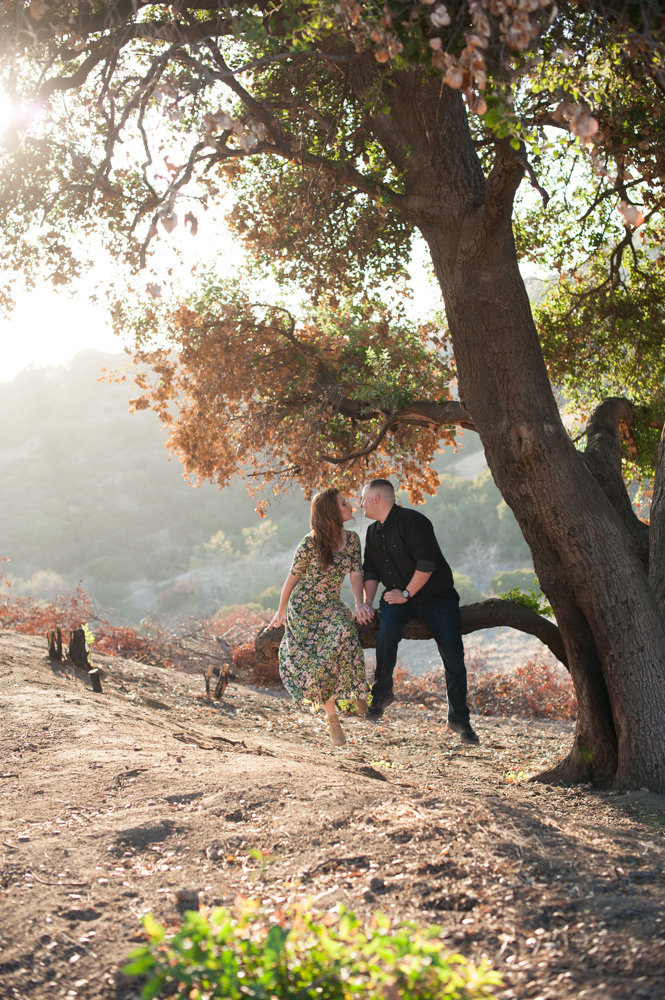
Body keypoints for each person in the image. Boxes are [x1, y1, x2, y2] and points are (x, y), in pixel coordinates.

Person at [358, 478, 479, 745]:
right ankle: (382, 694)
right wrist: (367, 602)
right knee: (386, 632)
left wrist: (405, 594)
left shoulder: (414, 521)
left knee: (453, 655)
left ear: (377, 499)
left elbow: (427, 563)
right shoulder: (371, 532)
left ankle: (460, 721)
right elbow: (371, 570)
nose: (360, 504)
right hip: (398, 597)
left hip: (436, 598)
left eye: (363, 498)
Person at [270, 488, 373, 747]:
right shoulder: (309, 542)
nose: (350, 506)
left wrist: (360, 603)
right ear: (331, 512)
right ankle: (332, 720)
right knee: (317, 663)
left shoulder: (351, 540)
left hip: (330, 603)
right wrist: (281, 610)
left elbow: (355, 575)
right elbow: (291, 579)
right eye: (343, 504)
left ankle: (358, 691)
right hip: (304, 606)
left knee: (346, 631)